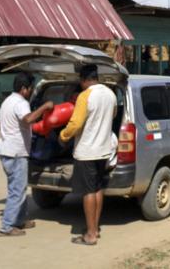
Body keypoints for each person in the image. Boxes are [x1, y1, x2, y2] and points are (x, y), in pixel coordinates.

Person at [59, 63, 117, 246]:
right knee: (98, 188)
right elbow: (113, 115)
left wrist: (63, 136)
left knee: (88, 191)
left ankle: (90, 234)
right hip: (103, 151)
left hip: (87, 152)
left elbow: (75, 124)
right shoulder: (110, 94)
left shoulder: (85, 96)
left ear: (83, 80)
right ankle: (95, 228)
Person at [0, 72, 54, 237]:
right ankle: (7, 227)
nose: (31, 90)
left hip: (6, 150)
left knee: (16, 188)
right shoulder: (21, 103)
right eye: (30, 88)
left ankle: (19, 221)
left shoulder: (8, 101)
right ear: (23, 89)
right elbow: (28, 120)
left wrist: (9, 128)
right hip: (16, 153)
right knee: (18, 191)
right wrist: (45, 107)